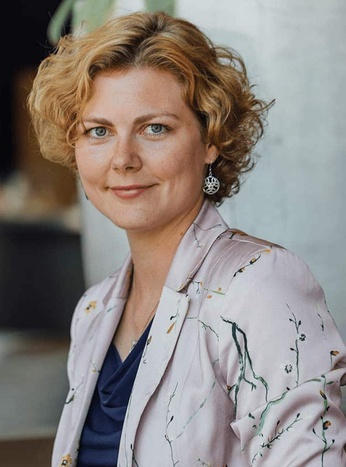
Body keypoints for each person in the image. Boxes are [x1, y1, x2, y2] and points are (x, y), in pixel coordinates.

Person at [27, 10, 346, 467]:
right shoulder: (94, 311)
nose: (123, 159)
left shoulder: (260, 289)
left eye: (155, 128)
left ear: (210, 138)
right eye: (99, 131)